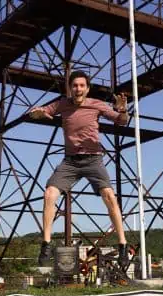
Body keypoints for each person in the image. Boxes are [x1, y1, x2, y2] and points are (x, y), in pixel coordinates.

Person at [29, 70, 131, 268]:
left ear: (87, 88)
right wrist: (37, 113)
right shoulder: (62, 104)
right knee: (49, 193)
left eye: (82, 85)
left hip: (93, 159)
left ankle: (123, 246)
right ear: (70, 88)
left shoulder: (96, 104)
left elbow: (122, 121)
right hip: (70, 162)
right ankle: (46, 244)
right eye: (75, 85)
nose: (78, 89)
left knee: (110, 196)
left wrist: (122, 110)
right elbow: (38, 113)